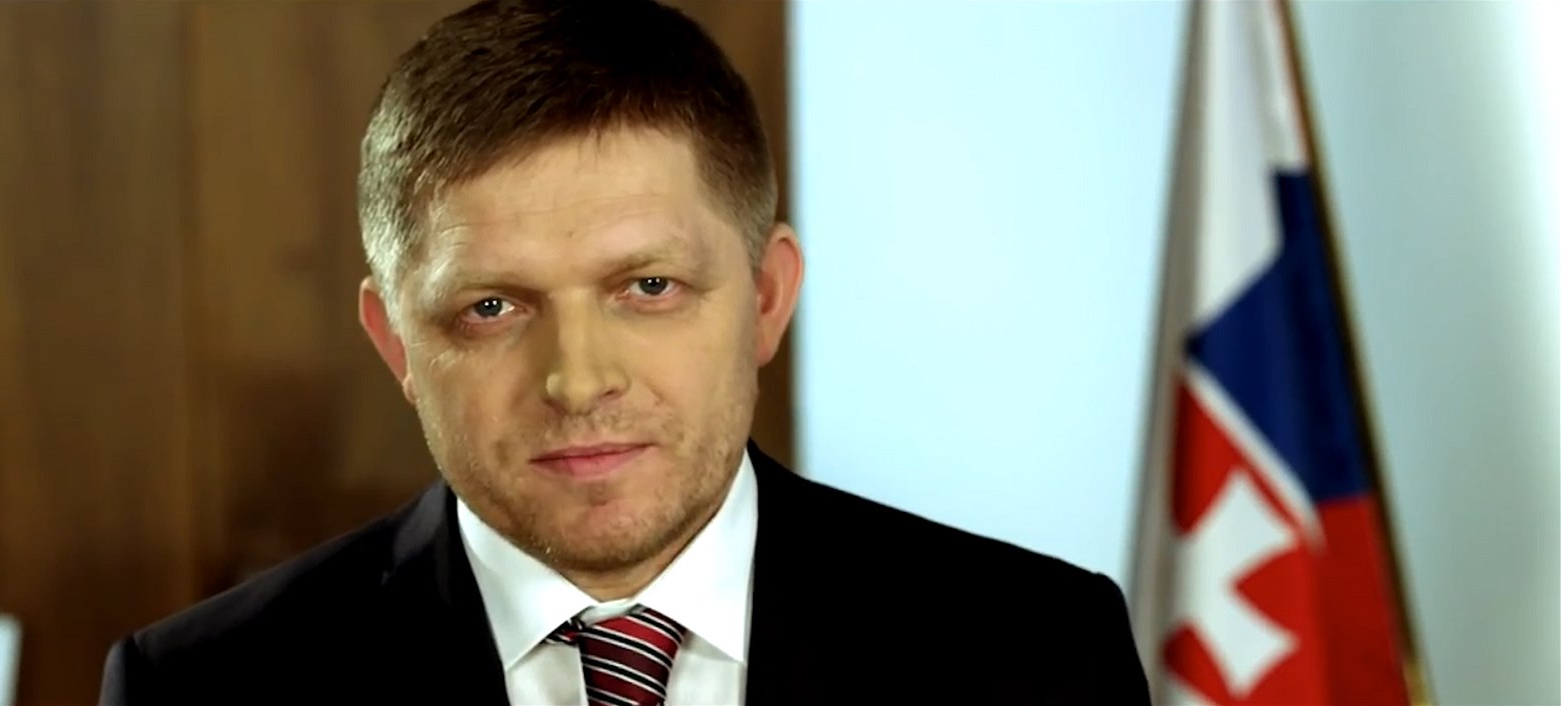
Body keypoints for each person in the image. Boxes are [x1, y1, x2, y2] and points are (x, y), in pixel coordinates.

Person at [98, 0, 1150, 703]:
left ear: (767, 297)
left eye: (648, 288)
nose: (579, 379)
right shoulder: (200, 688)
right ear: (398, 344)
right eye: (493, 307)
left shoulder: (1039, 654)